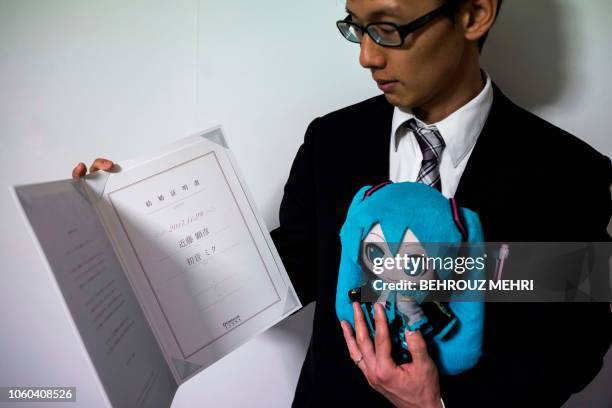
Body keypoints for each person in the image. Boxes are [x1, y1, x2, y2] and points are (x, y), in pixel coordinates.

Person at [73, 0, 612, 406]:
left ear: (474, 14)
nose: (366, 56)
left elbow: (576, 345)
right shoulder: (332, 140)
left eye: (388, 27)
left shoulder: (571, 173)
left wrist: (439, 404)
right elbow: (293, 267)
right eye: (356, 26)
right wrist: (143, 230)